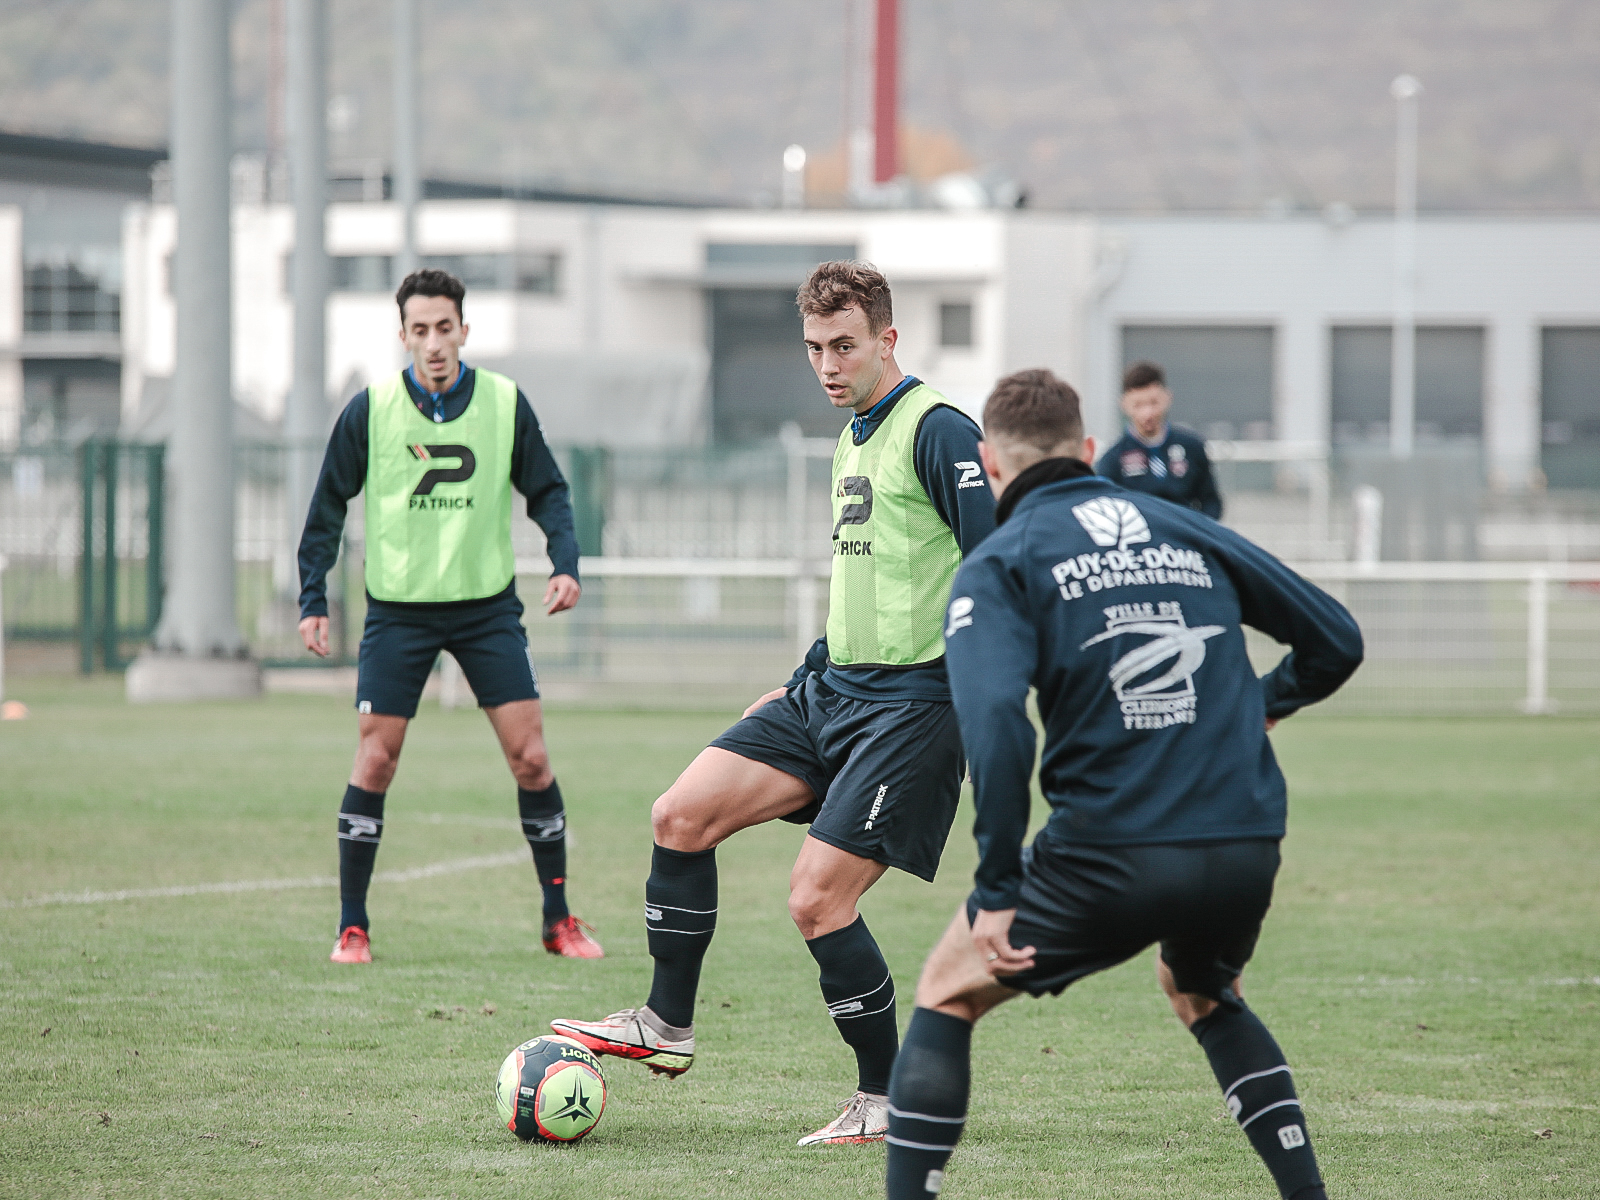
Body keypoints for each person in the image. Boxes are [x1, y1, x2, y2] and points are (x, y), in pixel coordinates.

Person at [883, 369, 1362, 1199]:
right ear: (1093, 449)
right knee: (1203, 990)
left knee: (945, 993)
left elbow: (997, 724)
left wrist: (997, 885)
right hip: (1246, 841)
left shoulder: (1001, 560)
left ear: (992, 466)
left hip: (1112, 852)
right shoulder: (1182, 526)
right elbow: (1337, 640)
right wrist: (1262, 705)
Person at [551, 261, 997, 1147]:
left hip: (913, 707)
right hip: (831, 691)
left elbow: (997, 566)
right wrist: (803, 677)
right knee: (679, 815)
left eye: (845, 346)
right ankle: (667, 1024)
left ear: (887, 340)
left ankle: (887, 1099)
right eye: (814, 348)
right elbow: (868, 579)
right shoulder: (851, 435)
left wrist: (989, 700)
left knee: (816, 899)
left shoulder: (939, 430)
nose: (828, 364)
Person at [297, 268, 604, 965]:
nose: (434, 343)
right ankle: (353, 927)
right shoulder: (370, 410)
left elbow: (549, 491)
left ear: (464, 330)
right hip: (398, 613)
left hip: (486, 609)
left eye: (445, 328)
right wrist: (313, 597)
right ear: (402, 336)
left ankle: (558, 920)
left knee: (531, 758)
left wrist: (565, 562)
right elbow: (326, 509)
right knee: (375, 759)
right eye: (420, 330)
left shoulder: (502, 403)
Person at [1097, 360, 1222, 518]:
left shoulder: (1192, 446)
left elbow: (1211, 501)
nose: (1148, 413)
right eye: (1138, 405)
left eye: (1154, 403)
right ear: (1124, 405)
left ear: (1167, 398)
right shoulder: (1112, 460)